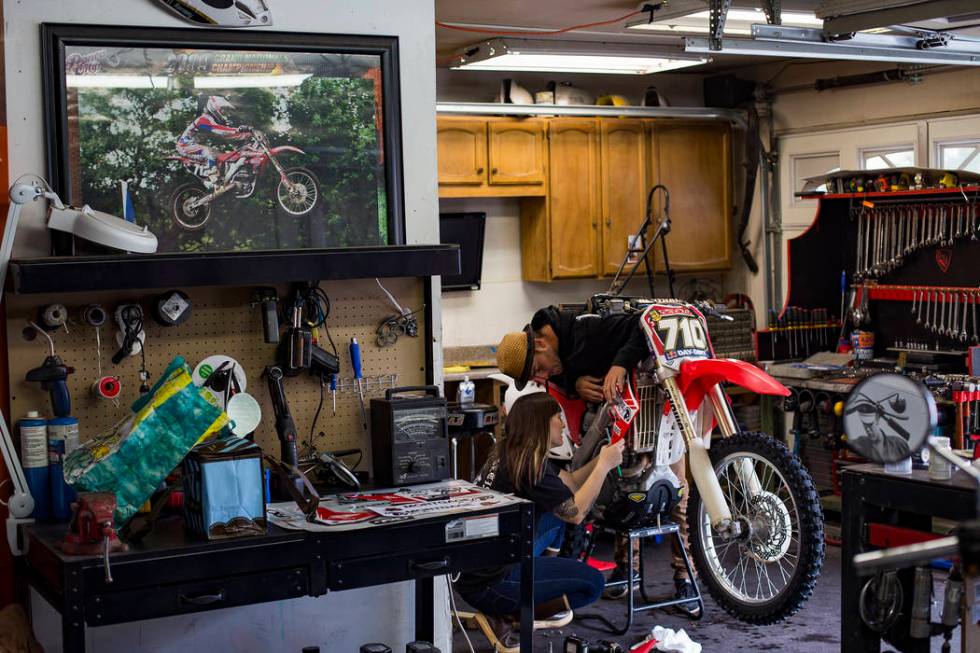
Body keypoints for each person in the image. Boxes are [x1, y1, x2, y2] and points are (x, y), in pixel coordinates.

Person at [495, 304, 701, 617]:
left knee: (678, 496)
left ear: (540, 343)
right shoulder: (558, 353)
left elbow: (643, 326)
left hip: (662, 416)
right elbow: (565, 374)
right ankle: (626, 568)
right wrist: (575, 384)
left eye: (539, 368)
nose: (543, 376)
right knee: (621, 494)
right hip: (621, 421)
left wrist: (620, 365)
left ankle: (685, 578)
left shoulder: (587, 329)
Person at [456, 393, 625, 653]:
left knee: (553, 520)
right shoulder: (527, 466)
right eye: (558, 417)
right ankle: (512, 615)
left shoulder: (514, 451)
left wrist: (602, 451)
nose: (563, 423)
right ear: (541, 424)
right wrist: (603, 466)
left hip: (481, 566)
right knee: (593, 584)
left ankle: (533, 588)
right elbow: (576, 513)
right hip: (491, 582)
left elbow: (570, 481)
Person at [176, 95, 252, 188]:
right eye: (223, 109)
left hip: (194, 145)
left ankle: (224, 181)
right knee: (209, 153)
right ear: (215, 107)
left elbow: (228, 136)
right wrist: (238, 130)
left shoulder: (212, 120)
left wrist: (247, 135)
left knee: (222, 157)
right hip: (185, 145)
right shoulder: (203, 119)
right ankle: (214, 181)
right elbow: (221, 131)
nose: (225, 113)